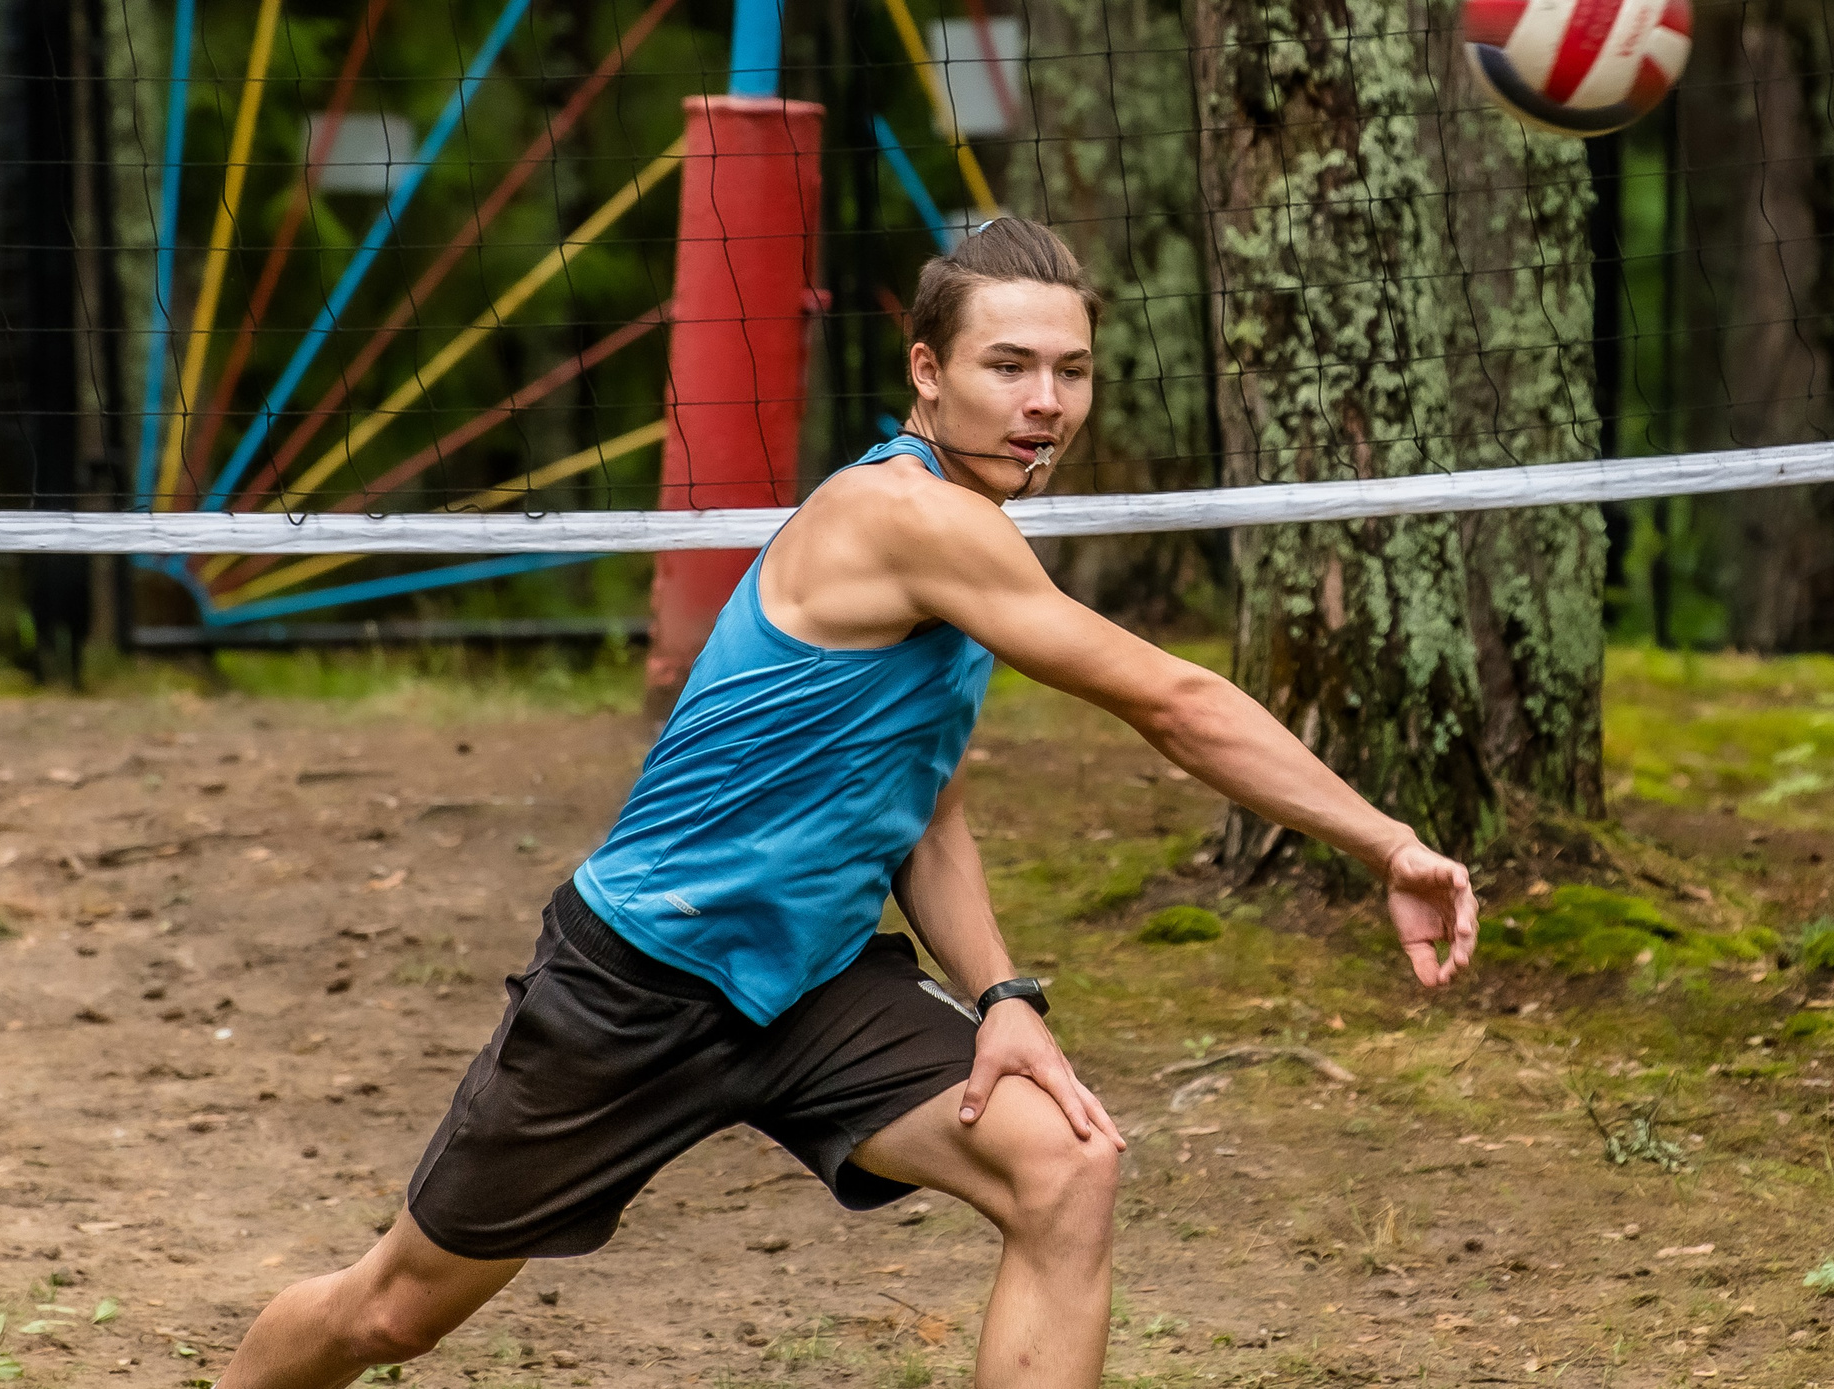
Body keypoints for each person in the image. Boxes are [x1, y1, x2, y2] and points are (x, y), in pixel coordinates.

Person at [217, 217, 1479, 1389]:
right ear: (927, 371)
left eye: (1073, 370)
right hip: (641, 981)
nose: (1045, 402)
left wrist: (1003, 999)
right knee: (385, 1314)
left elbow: (921, 809)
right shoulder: (903, 512)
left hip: (810, 986)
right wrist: (1388, 842)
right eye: (1009, 365)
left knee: (1065, 1164)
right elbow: (1173, 701)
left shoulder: (969, 526)